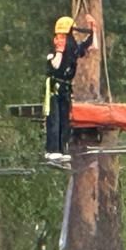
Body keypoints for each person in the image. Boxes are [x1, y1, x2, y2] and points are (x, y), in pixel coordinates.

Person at [44, 14, 96, 166]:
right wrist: (59, 51)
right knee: (54, 119)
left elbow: (87, 45)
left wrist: (93, 29)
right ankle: (53, 149)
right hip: (55, 86)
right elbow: (55, 66)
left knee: (65, 121)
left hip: (66, 87)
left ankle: (62, 149)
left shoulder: (72, 50)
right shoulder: (53, 53)